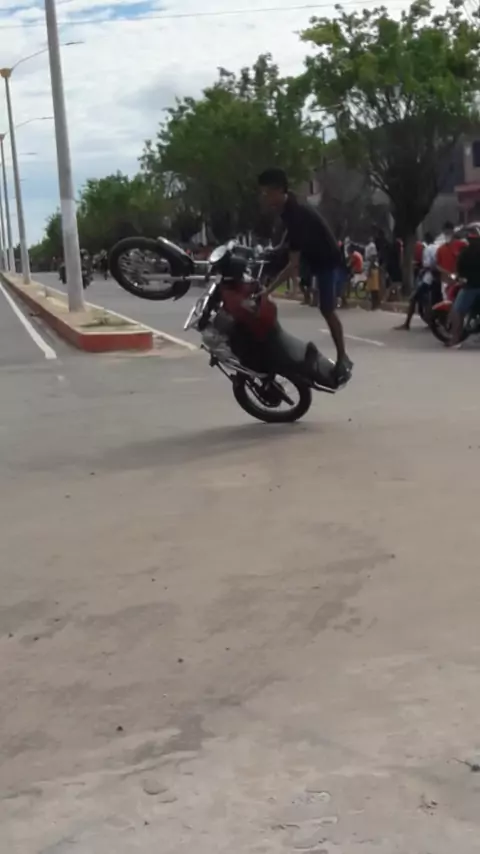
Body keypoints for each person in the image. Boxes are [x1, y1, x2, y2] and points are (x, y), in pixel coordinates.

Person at [258, 168, 352, 383]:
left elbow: (293, 264)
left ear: (279, 190)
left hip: (327, 261)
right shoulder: (289, 208)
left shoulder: (296, 213)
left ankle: (343, 358)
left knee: (327, 309)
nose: (265, 198)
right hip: (314, 259)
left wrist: (268, 291)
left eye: (267, 193)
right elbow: (289, 240)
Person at [395, 232, 437, 330]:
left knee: (414, 299)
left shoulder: (426, 249)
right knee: (426, 300)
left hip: (427, 279)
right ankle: (431, 322)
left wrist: (420, 269)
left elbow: (426, 265)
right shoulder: (437, 247)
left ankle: (407, 324)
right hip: (438, 278)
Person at [448, 234, 480, 347]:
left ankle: (455, 339)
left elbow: (459, 270)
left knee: (458, 311)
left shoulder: (465, 253)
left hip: (470, 287)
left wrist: (459, 278)